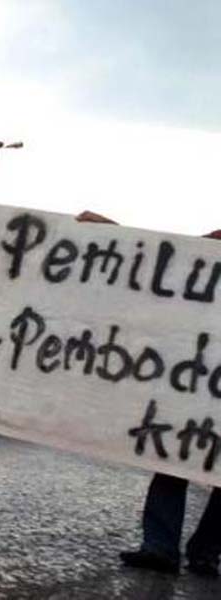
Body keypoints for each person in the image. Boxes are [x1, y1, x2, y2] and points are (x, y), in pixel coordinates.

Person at [75, 215, 221, 578]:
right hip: (195, 377)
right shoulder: (214, 244)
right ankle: (164, 547)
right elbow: (163, 261)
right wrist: (109, 230)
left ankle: (203, 551)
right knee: (173, 453)